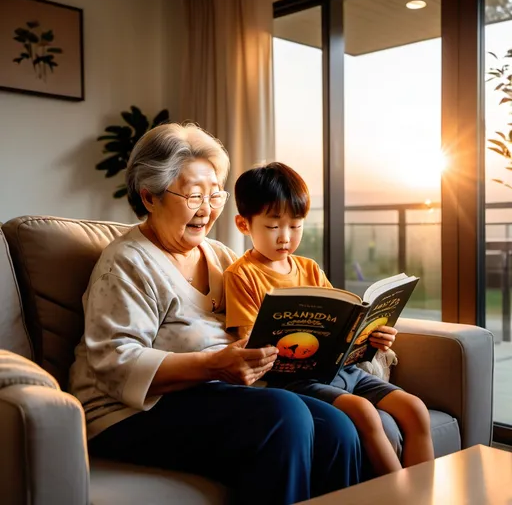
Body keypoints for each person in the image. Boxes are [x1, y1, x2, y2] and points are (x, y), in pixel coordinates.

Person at [68, 123, 364, 505]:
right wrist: (213, 365)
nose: (207, 210)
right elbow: (115, 362)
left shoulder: (222, 256)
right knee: (283, 414)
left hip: (214, 395)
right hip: (128, 413)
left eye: (215, 195)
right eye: (194, 196)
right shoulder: (127, 264)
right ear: (150, 197)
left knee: (337, 427)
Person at [224, 161, 434, 477]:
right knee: (363, 411)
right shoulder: (242, 275)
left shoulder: (309, 268)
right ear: (243, 224)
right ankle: (401, 496)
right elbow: (250, 341)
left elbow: (342, 323)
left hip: (342, 369)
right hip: (296, 380)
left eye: (296, 226)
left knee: (415, 409)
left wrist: (373, 336)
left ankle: (426, 495)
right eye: (273, 226)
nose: (285, 237)